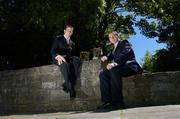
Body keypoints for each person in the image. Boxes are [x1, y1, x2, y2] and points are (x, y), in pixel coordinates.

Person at [97, 31, 143, 111]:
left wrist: (114, 64)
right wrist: (105, 57)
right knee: (103, 74)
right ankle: (107, 102)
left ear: (117, 36)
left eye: (113, 36)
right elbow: (109, 55)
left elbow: (124, 54)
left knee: (114, 70)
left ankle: (118, 102)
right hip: (120, 68)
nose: (112, 38)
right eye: (110, 37)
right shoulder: (113, 49)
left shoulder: (124, 43)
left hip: (130, 67)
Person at [51, 25, 80, 99]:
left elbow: (72, 55)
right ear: (64, 31)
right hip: (58, 58)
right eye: (68, 30)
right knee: (64, 64)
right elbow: (53, 50)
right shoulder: (58, 38)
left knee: (77, 59)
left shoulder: (72, 43)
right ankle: (70, 88)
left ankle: (66, 85)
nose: (69, 32)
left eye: (71, 31)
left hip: (67, 59)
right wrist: (58, 56)